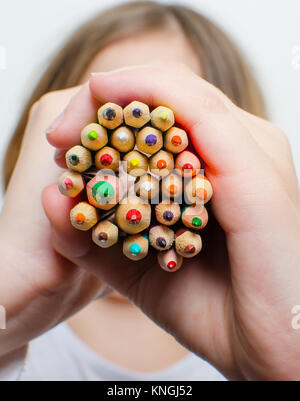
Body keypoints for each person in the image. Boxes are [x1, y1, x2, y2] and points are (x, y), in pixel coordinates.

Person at [0, 1, 299, 381]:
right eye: (104, 113)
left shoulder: (260, 331)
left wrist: (287, 363)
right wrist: (10, 291)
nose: (133, 182)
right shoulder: (16, 326)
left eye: (182, 130)